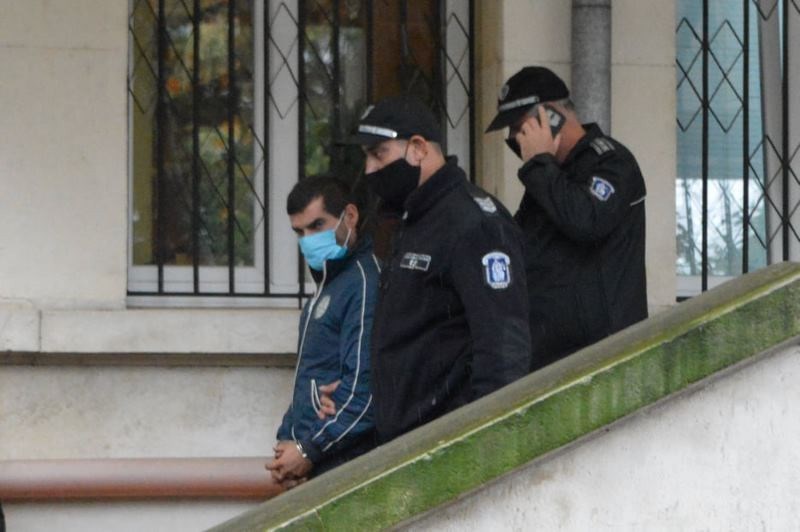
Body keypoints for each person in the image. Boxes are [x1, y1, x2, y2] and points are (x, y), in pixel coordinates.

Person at [331, 95, 531, 444]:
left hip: (449, 441)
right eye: (367, 157)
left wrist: (486, 441)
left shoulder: (473, 222)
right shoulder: (413, 219)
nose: (370, 169)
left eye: (379, 154)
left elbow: (503, 348)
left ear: (419, 148)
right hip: (407, 438)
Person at [486, 66, 648, 371]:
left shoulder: (611, 163)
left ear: (551, 117)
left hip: (600, 359)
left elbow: (586, 220)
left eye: (519, 128)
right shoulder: (548, 175)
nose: (515, 139)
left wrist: (539, 163)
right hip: (547, 356)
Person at [266, 176, 379, 487]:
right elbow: (310, 378)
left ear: (350, 216)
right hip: (315, 464)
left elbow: (363, 393)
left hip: (345, 468)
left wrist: (307, 450)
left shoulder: (363, 284)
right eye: (300, 232)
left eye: (318, 226)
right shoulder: (329, 286)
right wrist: (287, 442)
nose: (308, 240)